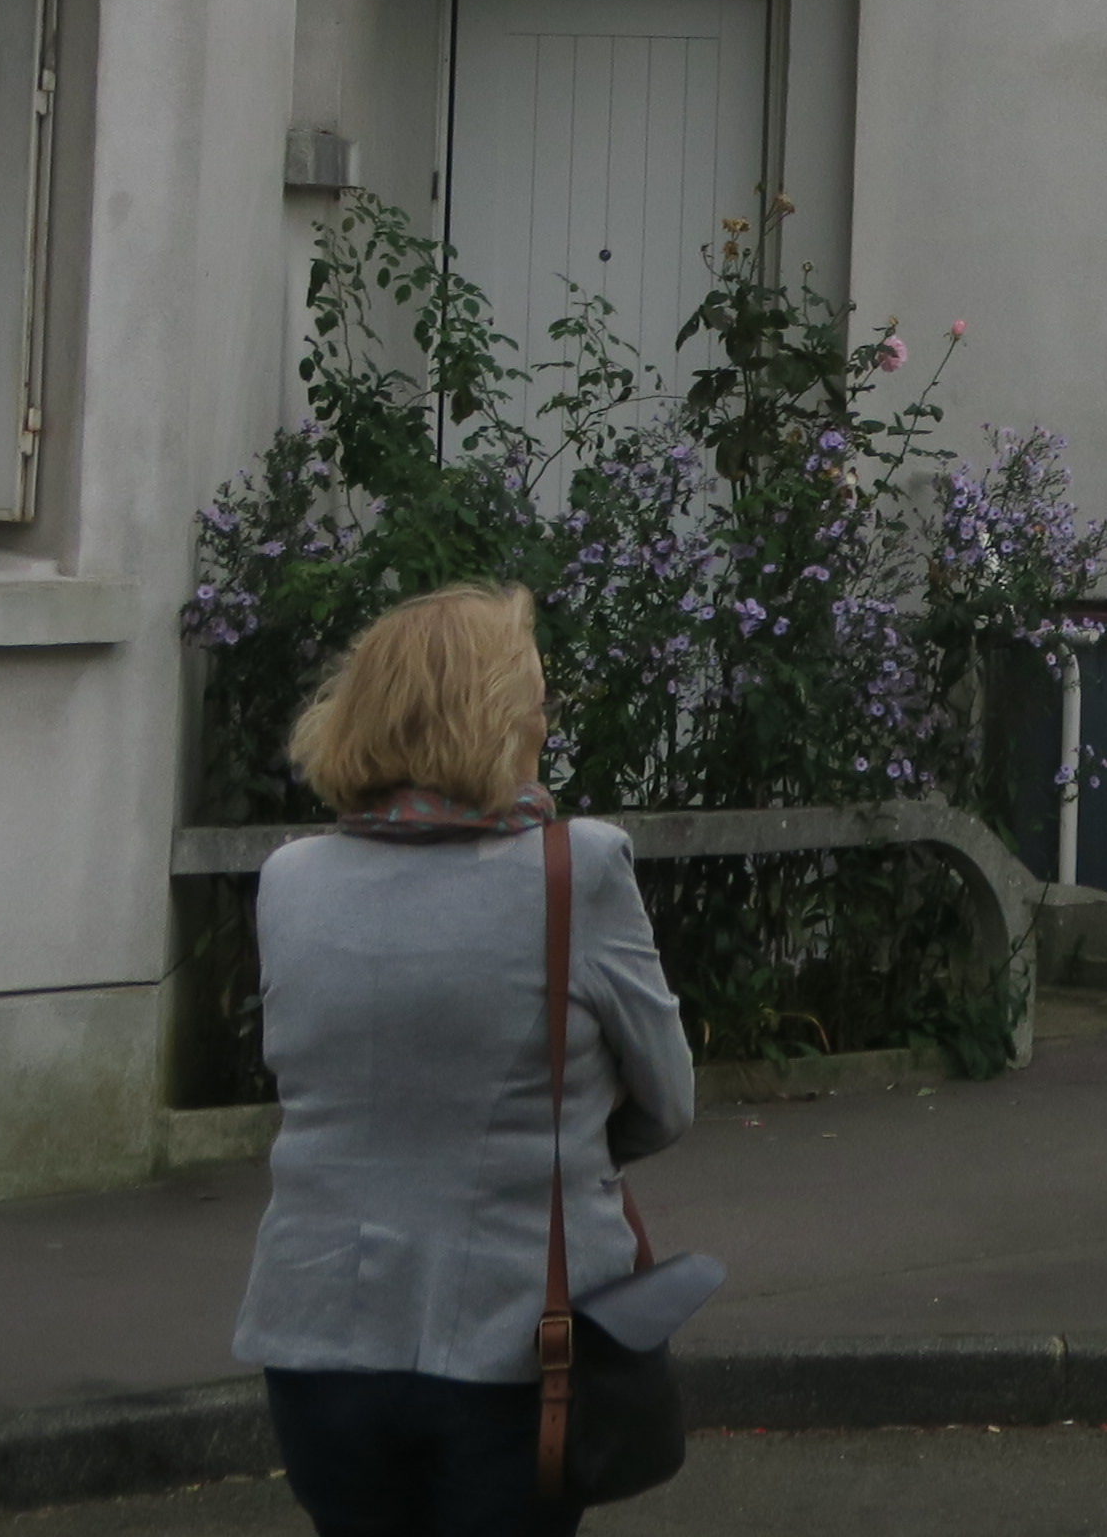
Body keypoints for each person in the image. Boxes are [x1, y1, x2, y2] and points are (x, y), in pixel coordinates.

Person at [237, 584, 693, 1536]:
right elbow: (667, 1100)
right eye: (538, 700)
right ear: (503, 718)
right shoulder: (581, 868)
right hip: (517, 1341)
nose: (545, 720)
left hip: (317, 1338)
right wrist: (564, 1135)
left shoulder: (290, 881)